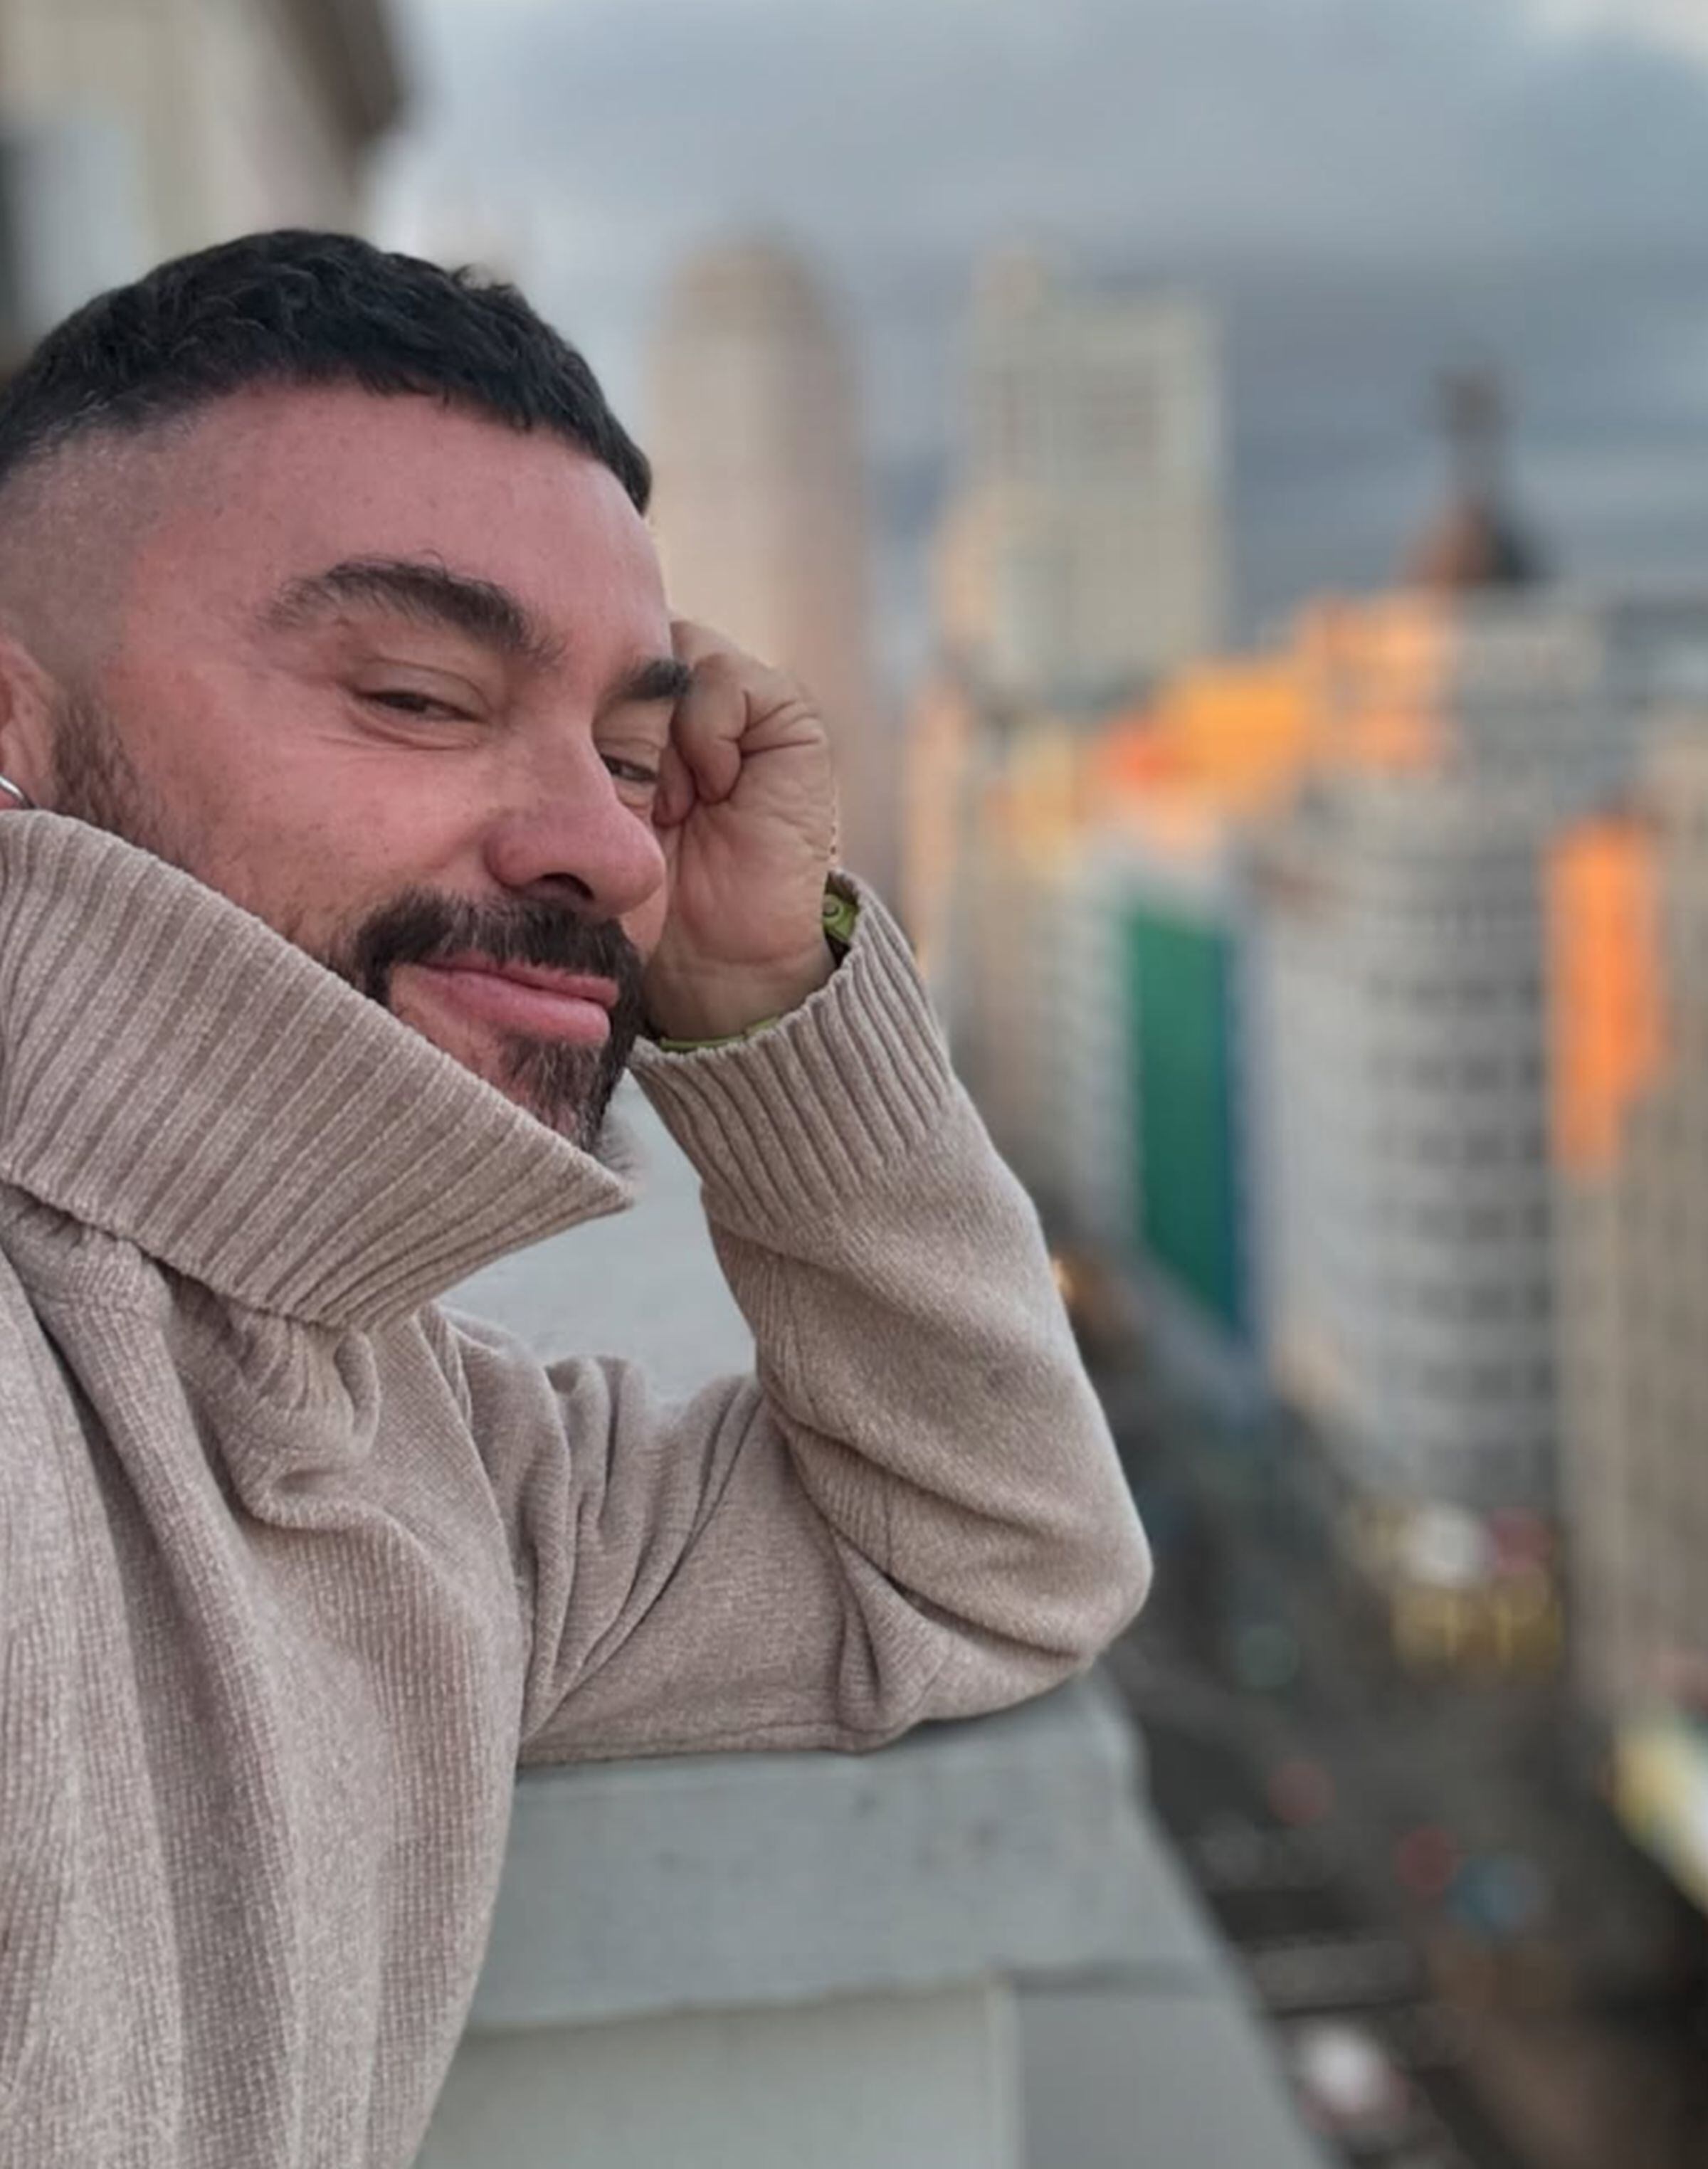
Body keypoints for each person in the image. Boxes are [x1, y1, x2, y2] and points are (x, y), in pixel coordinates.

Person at [0, 230, 1149, 2167]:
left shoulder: (430, 1445)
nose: (610, 845)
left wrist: (768, 992)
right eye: (424, 697)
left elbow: (995, 1557)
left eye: (634, 755)